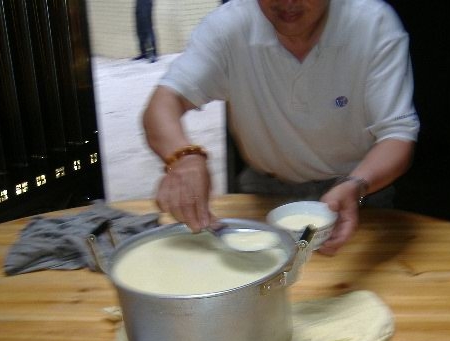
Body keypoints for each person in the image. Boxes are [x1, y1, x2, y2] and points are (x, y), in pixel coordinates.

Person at [142, 0, 419, 254]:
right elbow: (164, 101)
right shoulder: (230, 26)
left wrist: (356, 185)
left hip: (358, 191)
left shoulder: (372, 24)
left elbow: (398, 134)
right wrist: (185, 158)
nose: (287, 2)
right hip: (266, 191)